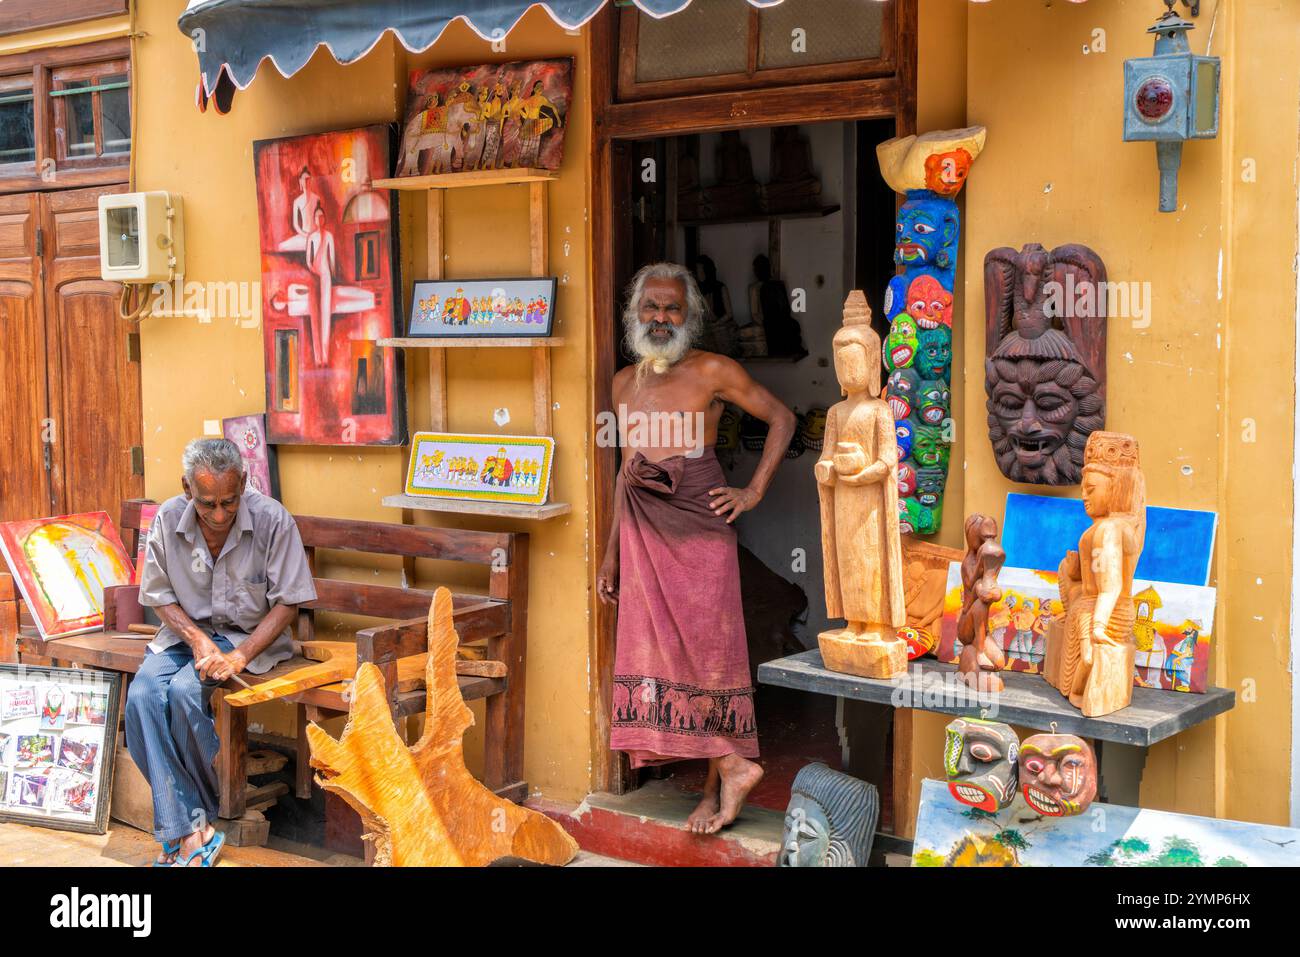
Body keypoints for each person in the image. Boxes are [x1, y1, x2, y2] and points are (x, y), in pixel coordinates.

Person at [597, 261, 796, 835]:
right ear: (636, 314)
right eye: (651, 307)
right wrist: (612, 553)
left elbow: (782, 418)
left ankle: (725, 777)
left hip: (701, 536)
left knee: (710, 663)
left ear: (690, 315)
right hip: (642, 540)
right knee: (664, 660)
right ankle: (722, 778)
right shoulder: (623, 383)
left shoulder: (713, 370)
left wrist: (752, 491)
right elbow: (625, 473)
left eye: (672, 308)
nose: (661, 317)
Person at [126, 438, 317, 866]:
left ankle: (187, 828)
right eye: (206, 503)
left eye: (228, 503)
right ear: (186, 487)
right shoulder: (168, 519)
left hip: (249, 639)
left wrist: (240, 656)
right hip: (184, 635)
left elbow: (289, 602)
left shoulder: (272, 520)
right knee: (140, 698)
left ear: (244, 484)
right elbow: (158, 595)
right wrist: (196, 640)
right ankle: (195, 828)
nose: (218, 515)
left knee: (182, 694)